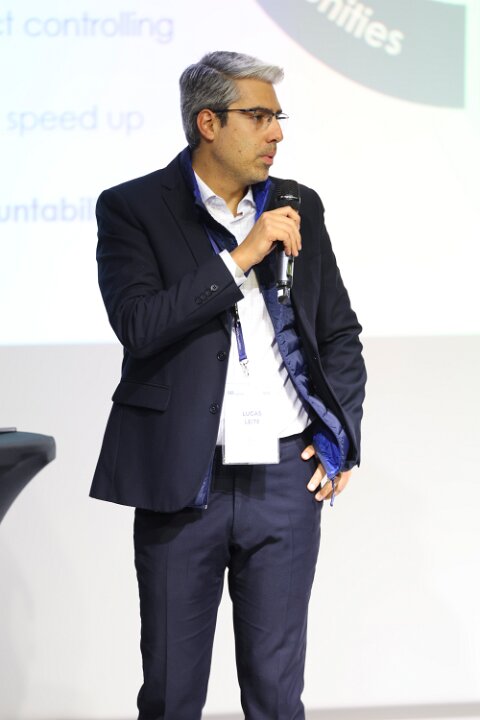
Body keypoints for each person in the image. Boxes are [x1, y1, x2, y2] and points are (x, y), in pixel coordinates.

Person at [90, 50, 366, 720]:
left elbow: (338, 334)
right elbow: (139, 325)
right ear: (208, 123)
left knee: (277, 694)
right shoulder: (132, 208)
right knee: (171, 691)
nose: (276, 134)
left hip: (283, 478)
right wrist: (241, 257)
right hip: (183, 478)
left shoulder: (298, 205)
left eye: (278, 118)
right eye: (259, 116)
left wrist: (341, 437)